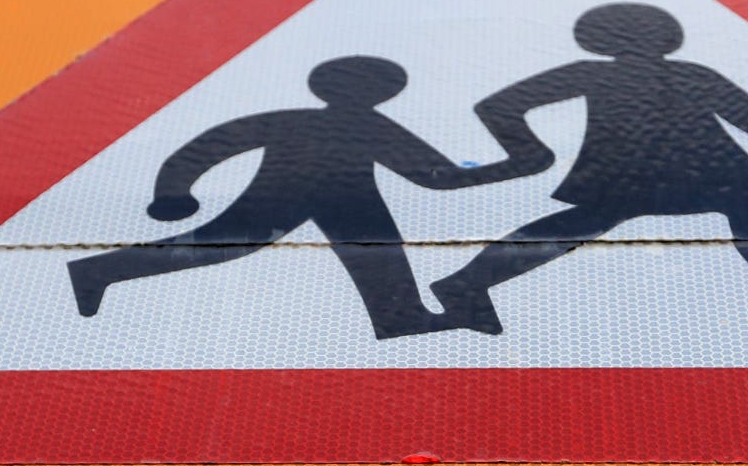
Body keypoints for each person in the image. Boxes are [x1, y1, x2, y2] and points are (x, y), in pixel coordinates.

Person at [429, 3, 748, 335]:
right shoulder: (664, 74)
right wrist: (527, 152)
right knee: (582, 225)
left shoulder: (662, 75)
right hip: (664, 166)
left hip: (684, 167)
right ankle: (466, 284)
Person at [67, 56, 513, 339]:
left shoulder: (344, 123)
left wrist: (174, 191)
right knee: (217, 246)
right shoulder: (359, 124)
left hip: (347, 199)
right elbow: (214, 145)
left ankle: (402, 317)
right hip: (291, 193)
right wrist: (172, 193)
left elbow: (434, 176)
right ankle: (98, 269)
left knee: (379, 255)